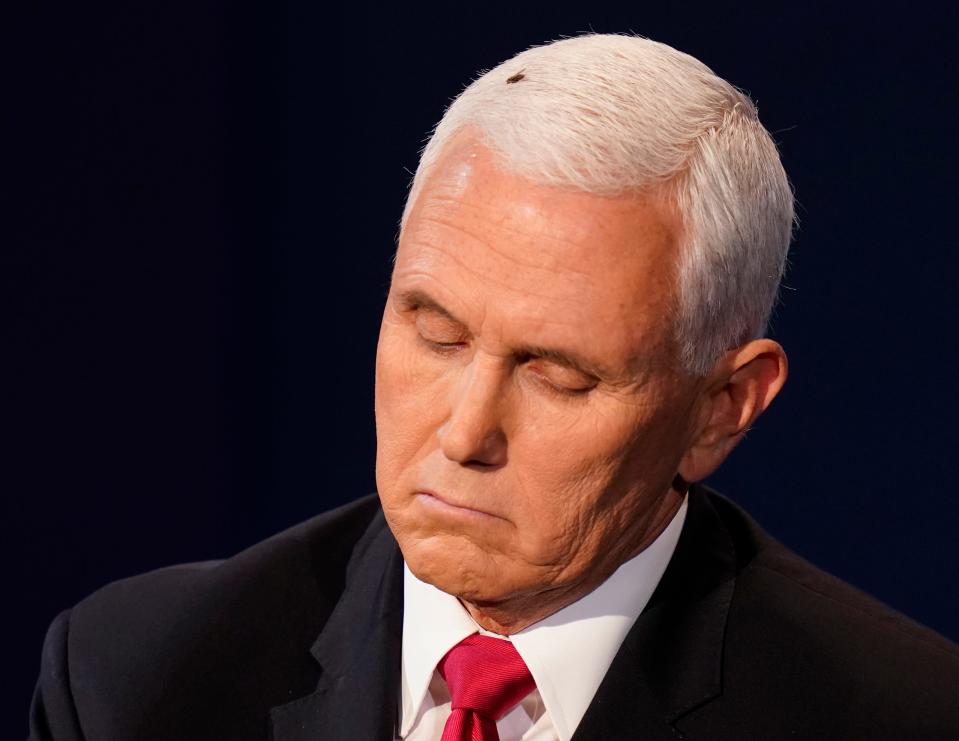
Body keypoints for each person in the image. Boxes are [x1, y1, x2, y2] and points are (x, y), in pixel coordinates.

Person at [29, 33, 959, 741]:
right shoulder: (136, 678)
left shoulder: (898, 713)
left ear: (722, 406)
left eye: (557, 374)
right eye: (434, 332)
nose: (464, 431)